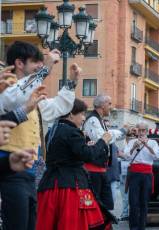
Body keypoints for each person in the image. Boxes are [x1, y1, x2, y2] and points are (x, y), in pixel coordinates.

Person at [0, 41, 79, 230]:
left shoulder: (31, 95)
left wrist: (71, 83)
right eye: (36, 61)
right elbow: (15, 97)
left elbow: (58, 107)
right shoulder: (5, 89)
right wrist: (46, 70)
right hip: (10, 170)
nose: (40, 66)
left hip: (31, 172)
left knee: (30, 225)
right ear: (19, 63)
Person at [36, 99, 114, 230]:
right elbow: (88, 155)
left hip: (50, 185)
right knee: (73, 223)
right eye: (82, 114)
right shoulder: (72, 131)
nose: (84, 118)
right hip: (70, 187)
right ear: (71, 114)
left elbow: (67, 154)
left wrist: (85, 147)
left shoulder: (52, 131)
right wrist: (103, 141)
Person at [83, 95, 127, 211]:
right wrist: (122, 131)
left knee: (106, 204)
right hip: (93, 171)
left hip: (101, 170)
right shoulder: (93, 119)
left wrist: (123, 132)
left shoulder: (99, 120)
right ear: (102, 105)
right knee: (94, 204)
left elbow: (108, 134)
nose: (111, 107)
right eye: (109, 104)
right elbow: (102, 138)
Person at [123, 122, 159, 230]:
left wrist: (147, 145)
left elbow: (157, 156)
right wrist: (133, 147)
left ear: (147, 132)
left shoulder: (153, 142)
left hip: (147, 174)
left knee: (144, 202)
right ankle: (133, 227)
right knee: (133, 202)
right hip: (134, 174)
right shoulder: (131, 142)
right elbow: (126, 156)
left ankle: (142, 227)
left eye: (143, 130)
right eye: (139, 130)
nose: (141, 133)